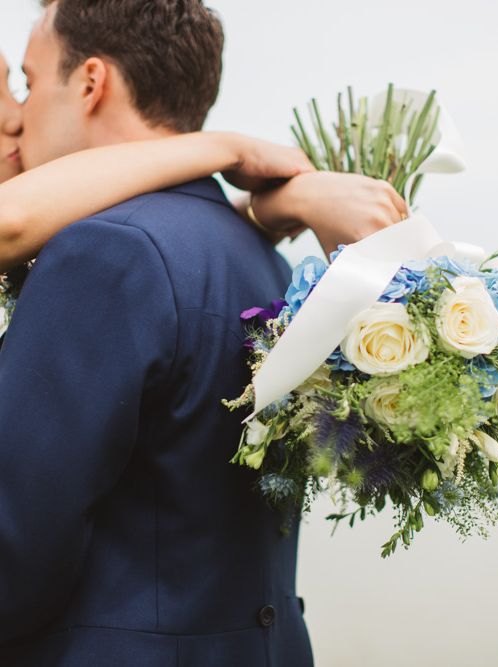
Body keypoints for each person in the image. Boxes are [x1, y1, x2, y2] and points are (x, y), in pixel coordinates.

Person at [0, 2, 407, 665]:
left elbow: (13, 552)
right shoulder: (262, 258)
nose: (19, 113)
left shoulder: (102, 253)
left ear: (91, 82)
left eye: (30, 78)